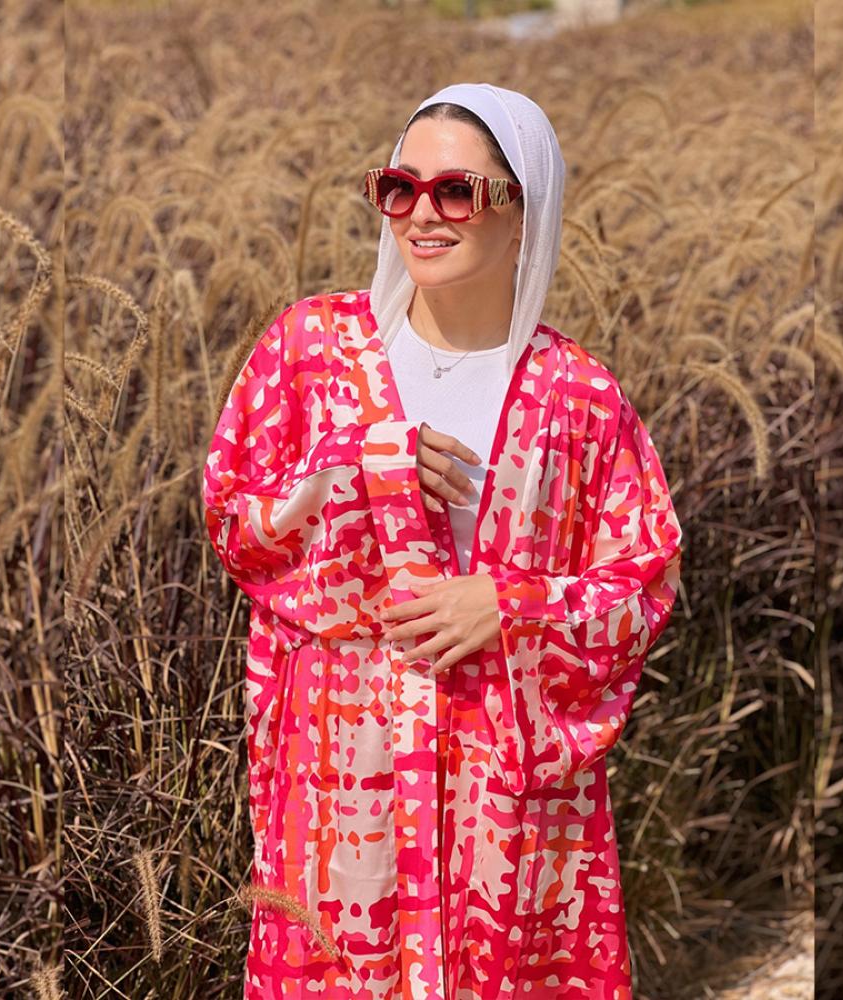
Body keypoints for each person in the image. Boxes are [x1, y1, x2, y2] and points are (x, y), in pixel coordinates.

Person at [202, 82, 682, 1000]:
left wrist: (512, 606)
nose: (422, 214)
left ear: (523, 210)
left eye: (457, 191)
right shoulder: (310, 351)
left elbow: (644, 576)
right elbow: (235, 523)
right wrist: (358, 466)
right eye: (399, 188)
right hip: (344, 776)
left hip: (506, 782)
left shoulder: (577, 395)